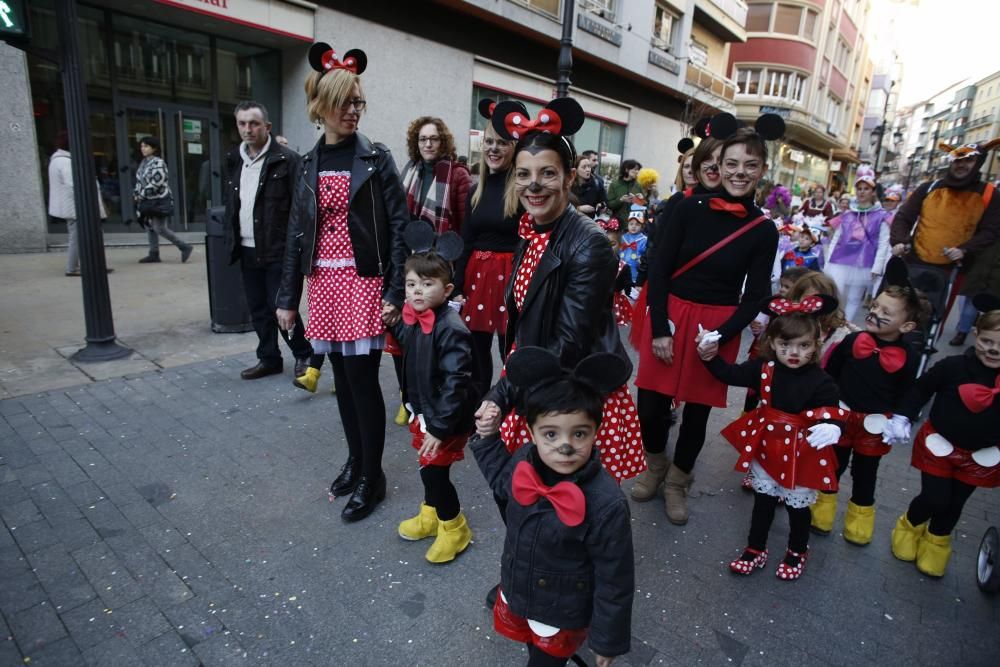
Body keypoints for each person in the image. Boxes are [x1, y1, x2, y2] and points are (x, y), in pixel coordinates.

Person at [474, 98, 645, 485]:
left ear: (569, 179)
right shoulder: (532, 228)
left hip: (570, 394)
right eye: (524, 174)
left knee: (572, 509)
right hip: (534, 374)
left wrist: (500, 394)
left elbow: (568, 342)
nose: (533, 185)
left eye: (547, 173)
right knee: (534, 499)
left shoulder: (588, 244)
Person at [275, 42, 408, 522]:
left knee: (364, 382)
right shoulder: (307, 165)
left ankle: (373, 476)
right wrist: (288, 298)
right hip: (325, 287)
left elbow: (398, 229)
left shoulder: (376, 158)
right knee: (342, 384)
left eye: (359, 102)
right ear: (321, 107)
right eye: (345, 102)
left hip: (365, 283)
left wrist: (395, 292)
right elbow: (296, 233)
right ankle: (357, 460)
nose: (353, 111)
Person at [633, 113, 783, 523]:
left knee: (697, 411)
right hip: (672, 313)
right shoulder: (686, 207)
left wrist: (721, 335)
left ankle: (679, 480)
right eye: (730, 163)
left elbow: (755, 296)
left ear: (762, 171)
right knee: (649, 405)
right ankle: (656, 464)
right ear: (718, 165)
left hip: (718, 324)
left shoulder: (763, 230)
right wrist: (660, 327)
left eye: (750, 165)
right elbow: (659, 270)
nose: (738, 173)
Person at [471, 346, 634, 667]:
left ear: (595, 432)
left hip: (563, 609)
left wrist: (607, 639)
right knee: (533, 649)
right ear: (531, 433)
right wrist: (488, 440)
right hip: (522, 589)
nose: (565, 445)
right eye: (551, 433)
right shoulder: (523, 461)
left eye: (579, 433)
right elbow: (503, 482)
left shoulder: (606, 503)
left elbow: (615, 578)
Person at [700, 294, 847, 580]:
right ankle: (756, 548)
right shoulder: (763, 368)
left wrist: (834, 427)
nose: (794, 352)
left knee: (797, 507)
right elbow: (730, 374)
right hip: (767, 447)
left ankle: (797, 550)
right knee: (763, 501)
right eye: (785, 344)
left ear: (816, 344)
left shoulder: (821, 380)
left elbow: (833, 409)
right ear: (772, 343)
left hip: (802, 452)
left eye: (803, 345)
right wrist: (709, 354)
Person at [812, 262, 925, 543]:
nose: (875, 313)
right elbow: (830, 374)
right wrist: (823, 406)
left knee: (866, 474)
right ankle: (821, 514)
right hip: (841, 416)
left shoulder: (909, 356)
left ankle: (859, 523)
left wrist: (902, 417)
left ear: (907, 325)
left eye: (886, 312)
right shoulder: (852, 340)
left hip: (875, 424)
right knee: (832, 465)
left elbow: (908, 390)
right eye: (875, 306)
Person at [888, 293, 1000, 577]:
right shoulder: (953, 367)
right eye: (987, 342)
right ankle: (910, 525)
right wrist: (902, 416)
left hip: (982, 455)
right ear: (975, 334)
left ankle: (937, 542)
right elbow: (921, 389)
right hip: (940, 444)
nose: (994, 350)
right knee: (935, 497)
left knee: (954, 504)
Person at [388, 223, 476, 563]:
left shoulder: (451, 329)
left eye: (427, 284)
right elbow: (409, 352)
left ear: (448, 289)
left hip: (444, 418)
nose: (417, 292)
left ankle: (455, 529)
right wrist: (393, 323)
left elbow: (456, 382)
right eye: (411, 284)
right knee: (426, 467)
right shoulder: (414, 318)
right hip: (423, 410)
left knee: (435, 473)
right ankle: (430, 514)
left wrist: (439, 427)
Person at [223, 101, 312, 382]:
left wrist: (296, 249)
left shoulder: (287, 160)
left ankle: (304, 354)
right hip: (247, 248)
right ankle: (269, 358)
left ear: (267, 127)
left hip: (278, 250)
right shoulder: (234, 159)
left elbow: (302, 208)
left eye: (254, 123)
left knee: (282, 308)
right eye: (242, 123)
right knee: (258, 308)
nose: (247, 129)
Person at [453, 100, 524, 399]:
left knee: (510, 349)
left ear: (515, 147)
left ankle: (508, 409)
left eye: (502, 143)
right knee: (475, 352)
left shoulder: (521, 188)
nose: (494, 149)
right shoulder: (474, 188)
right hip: (477, 279)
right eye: (489, 142)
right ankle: (477, 409)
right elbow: (466, 239)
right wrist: (457, 285)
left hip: (511, 277)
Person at [889, 139, 1000, 318]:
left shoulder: (989, 193)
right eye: (958, 160)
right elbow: (904, 217)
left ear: (978, 162)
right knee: (900, 310)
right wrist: (900, 241)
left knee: (932, 317)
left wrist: (965, 250)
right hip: (915, 262)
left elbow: (991, 231)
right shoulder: (929, 188)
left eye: (968, 160)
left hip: (953, 269)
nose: (962, 165)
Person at [824, 165, 892, 321]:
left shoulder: (881, 216)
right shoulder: (847, 213)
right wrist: (828, 260)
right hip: (841, 260)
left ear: (873, 192)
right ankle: (831, 322)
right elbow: (836, 237)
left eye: (866, 188)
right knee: (836, 294)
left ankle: (845, 327)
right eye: (859, 188)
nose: (862, 191)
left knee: (855, 298)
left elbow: (883, 243)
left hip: (864, 263)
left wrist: (877, 266)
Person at [47, 130, 111, 277]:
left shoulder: (59, 160)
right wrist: (87, 204)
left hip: (74, 206)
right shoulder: (65, 162)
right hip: (76, 207)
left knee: (84, 235)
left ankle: (92, 265)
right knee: (77, 237)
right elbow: (74, 185)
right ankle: (73, 267)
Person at [401, 116, 471, 234]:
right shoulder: (409, 171)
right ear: (416, 143)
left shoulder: (459, 175)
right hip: (408, 248)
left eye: (434, 139)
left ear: (443, 142)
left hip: (444, 249)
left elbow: (466, 225)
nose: (428, 144)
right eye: (423, 139)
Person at [134, 136, 193, 264]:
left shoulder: (158, 163)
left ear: (154, 148)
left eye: (146, 146)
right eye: (142, 146)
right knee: (150, 227)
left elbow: (157, 183)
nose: (143, 149)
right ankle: (153, 253)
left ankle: (184, 247)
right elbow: (139, 181)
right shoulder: (143, 163)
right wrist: (136, 194)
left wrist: (141, 195)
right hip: (147, 201)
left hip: (159, 201)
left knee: (160, 228)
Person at [949, 239, 1000, 346]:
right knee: (970, 307)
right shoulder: (990, 230)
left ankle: (993, 337)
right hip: (979, 271)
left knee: (995, 312)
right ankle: (962, 332)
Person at [606, 159, 643, 226]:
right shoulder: (614, 184)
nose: (637, 172)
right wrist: (621, 200)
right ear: (626, 169)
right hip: (617, 224)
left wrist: (640, 200)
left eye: (638, 170)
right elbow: (609, 205)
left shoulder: (638, 185)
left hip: (634, 225)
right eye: (635, 169)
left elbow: (644, 207)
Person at [619, 216, 647, 284]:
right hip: (621, 268)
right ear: (627, 225)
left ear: (642, 226)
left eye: (637, 224)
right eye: (631, 224)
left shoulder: (644, 239)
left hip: (635, 269)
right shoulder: (623, 237)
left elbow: (645, 255)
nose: (634, 226)